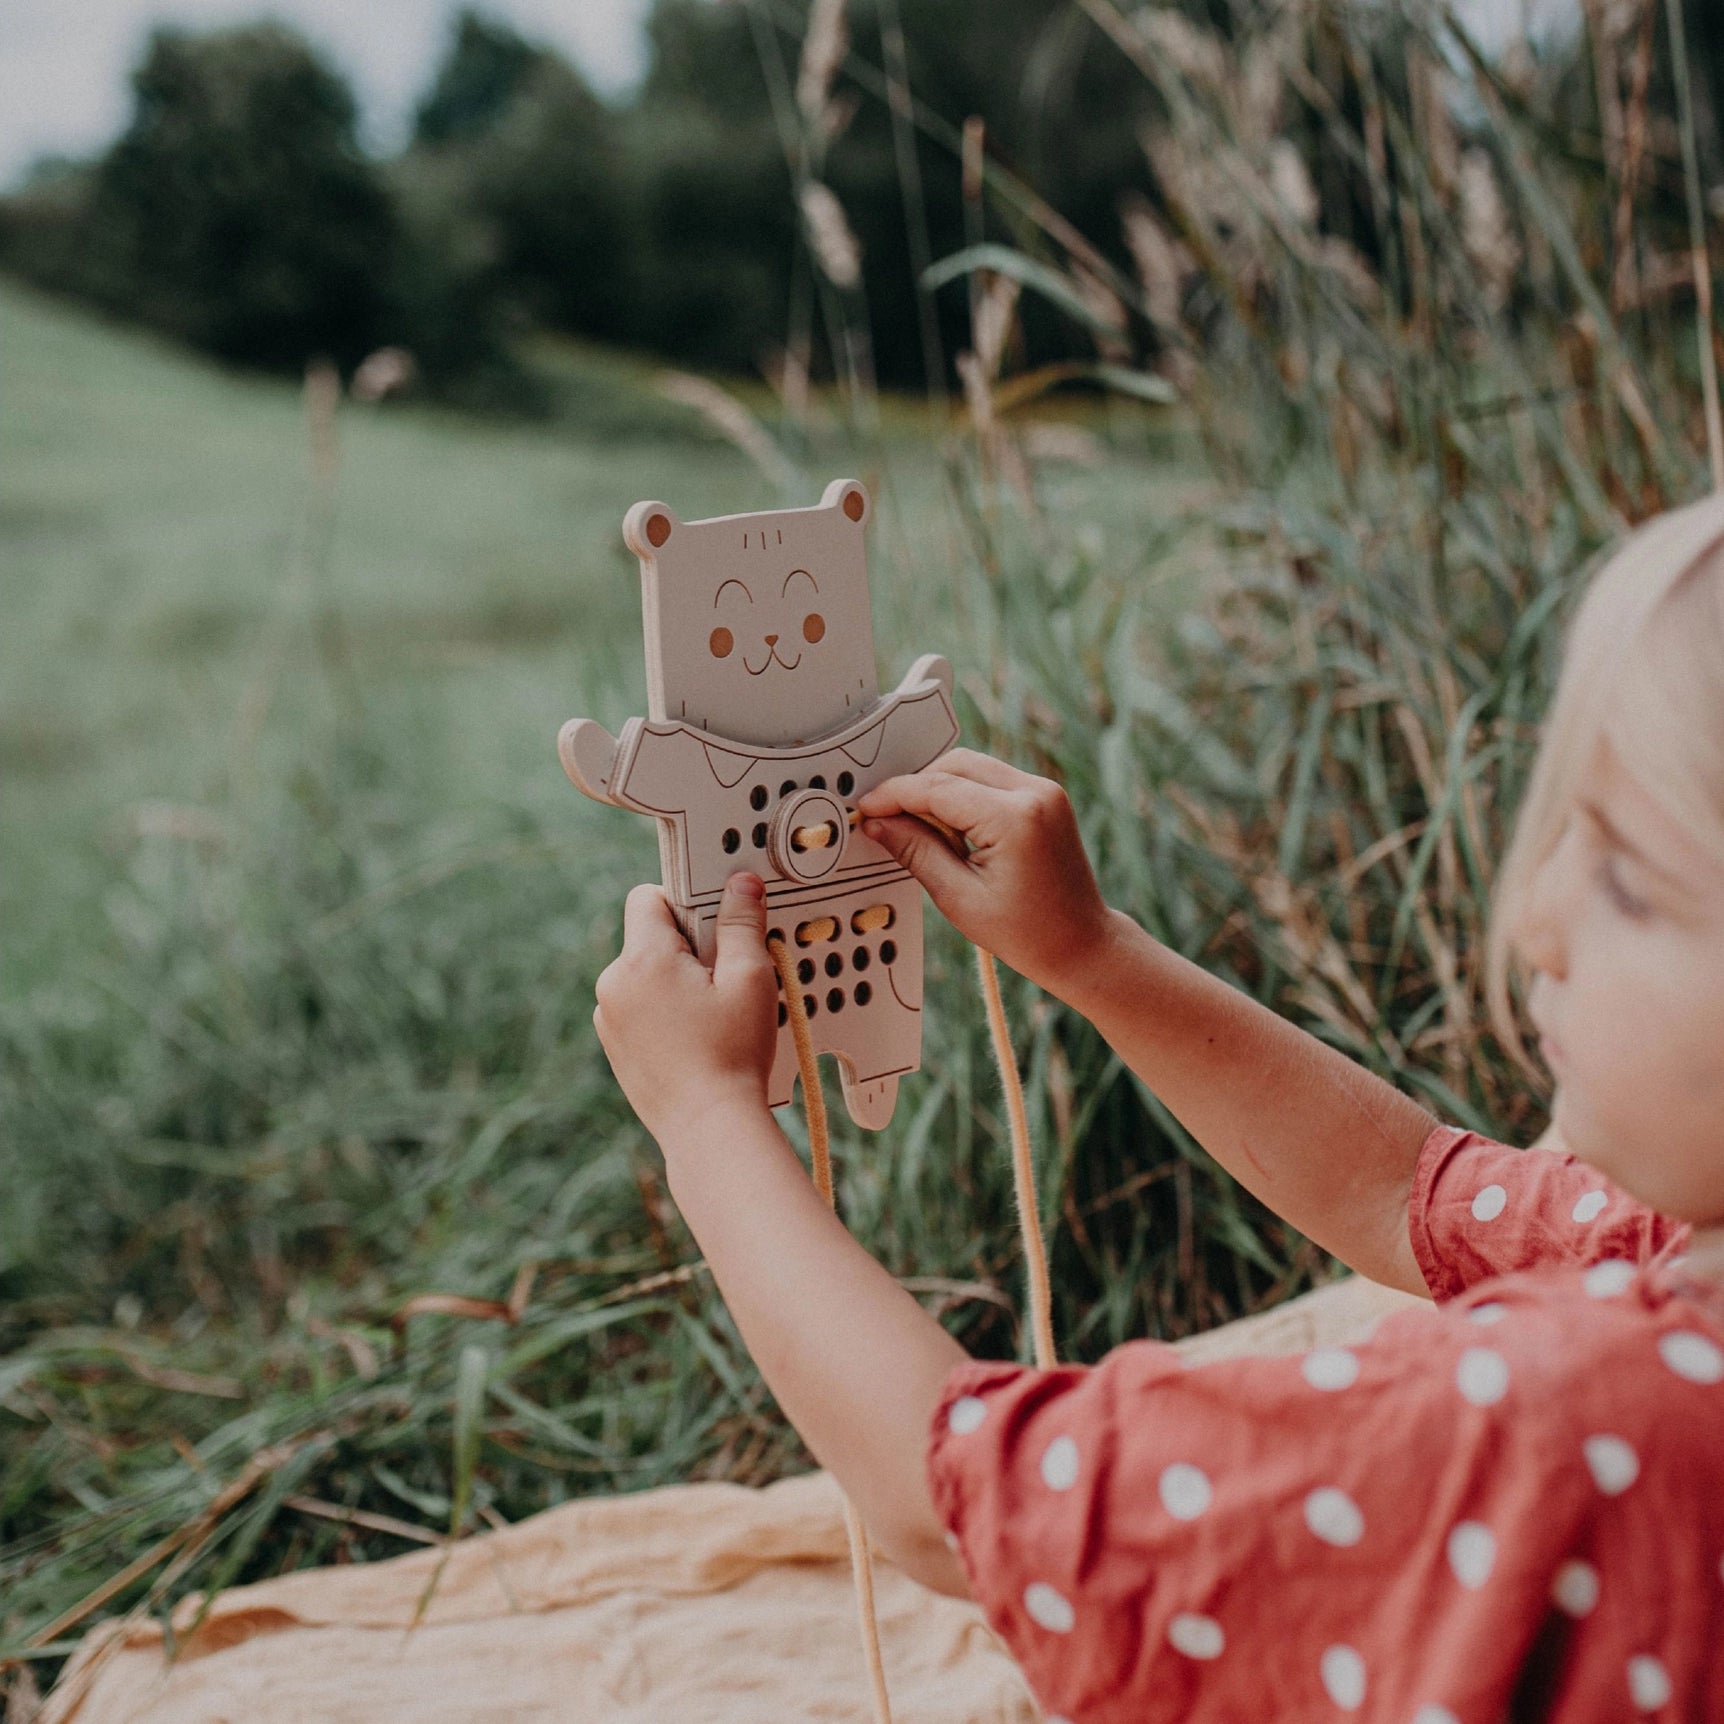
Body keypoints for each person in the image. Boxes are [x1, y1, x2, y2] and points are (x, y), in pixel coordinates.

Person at [589, 493, 1724, 1720]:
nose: (1536, 920)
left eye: (1621, 876)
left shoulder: (1562, 1424)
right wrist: (1089, 953)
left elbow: (963, 1498)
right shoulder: (1672, 1253)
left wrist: (705, 1118)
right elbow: (1402, 1189)